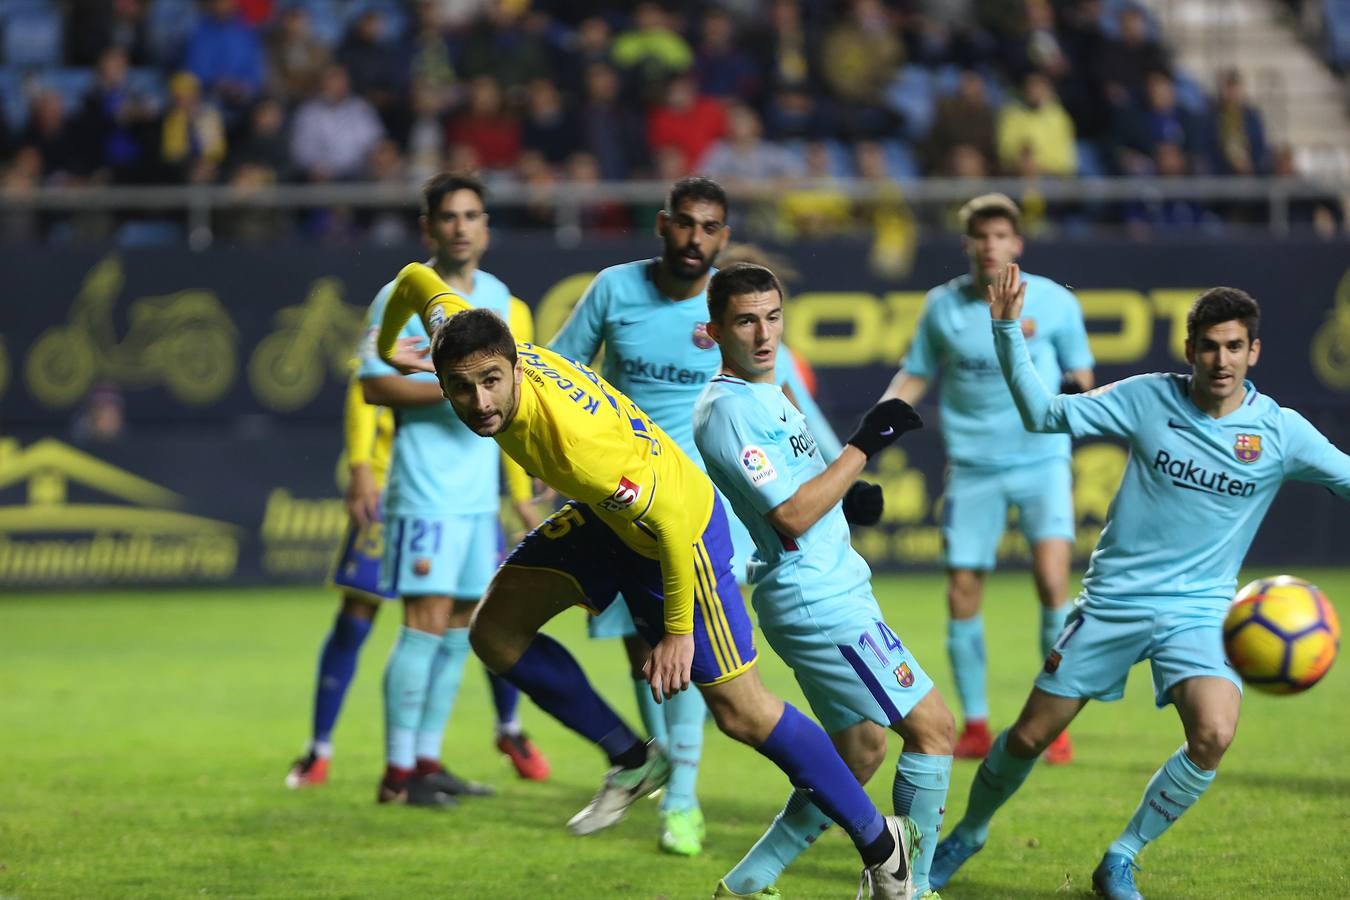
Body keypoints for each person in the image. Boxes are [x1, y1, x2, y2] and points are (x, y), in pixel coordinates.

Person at [378, 263, 929, 899]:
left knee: (743, 714)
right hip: (612, 520)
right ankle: (634, 758)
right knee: (495, 633)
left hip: (682, 531)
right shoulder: (465, 334)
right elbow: (416, 277)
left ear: (517, 368)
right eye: (461, 388)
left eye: (492, 383)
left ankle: (883, 846)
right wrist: (389, 347)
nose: (480, 403)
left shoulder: (575, 442)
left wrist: (675, 634)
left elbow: (668, 519)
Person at [931, 273, 1350, 899]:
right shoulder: (1149, 398)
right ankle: (969, 831)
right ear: (1190, 350)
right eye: (1209, 346)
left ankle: (1121, 858)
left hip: (1204, 611)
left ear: (1253, 352)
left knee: (1213, 734)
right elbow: (1044, 413)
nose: (1221, 360)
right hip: (1114, 602)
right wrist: (1005, 330)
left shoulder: (1280, 432)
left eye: (1234, 347)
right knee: (1028, 737)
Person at [549, 176, 841, 857]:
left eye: (710, 228)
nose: (696, 238)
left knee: (692, 653)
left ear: (725, 235)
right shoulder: (615, 291)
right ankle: (667, 772)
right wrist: (554, 458)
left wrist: (843, 472)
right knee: (644, 653)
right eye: (686, 224)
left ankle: (681, 798)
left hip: (709, 507)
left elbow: (788, 389)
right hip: (618, 500)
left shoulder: (730, 313)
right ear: (663, 224)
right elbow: (558, 371)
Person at [693, 263, 954, 899]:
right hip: (819, 601)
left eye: (772, 317)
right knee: (934, 730)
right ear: (714, 331)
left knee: (860, 752)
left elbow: (803, 496)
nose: (763, 333)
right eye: (746, 321)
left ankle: (748, 883)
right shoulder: (725, 411)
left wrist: (846, 500)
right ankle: (909, 890)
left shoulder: (772, 393)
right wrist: (865, 444)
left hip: (829, 586)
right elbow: (788, 513)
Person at [352, 173, 550, 805]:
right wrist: (455, 390)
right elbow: (372, 384)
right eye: (449, 216)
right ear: (429, 228)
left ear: (486, 225)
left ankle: (427, 763)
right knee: (424, 621)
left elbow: (514, 394)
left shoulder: (503, 303)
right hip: (426, 488)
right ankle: (395, 773)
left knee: (462, 627)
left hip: (475, 495)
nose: (462, 226)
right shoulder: (400, 297)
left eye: (472, 215)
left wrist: (523, 479)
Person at [882, 193, 1094, 762]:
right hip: (973, 468)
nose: (990, 246)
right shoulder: (943, 307)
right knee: (962, 591)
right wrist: (878, 424)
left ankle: (1054, 718)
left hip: (1042, 460)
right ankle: (975, 723)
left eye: (1000, 236)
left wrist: (1073, 394)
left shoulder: (1051, 303)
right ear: (968, 245)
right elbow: (916, 373)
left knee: (1053, 583)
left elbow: (1080, 374)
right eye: (980, 237)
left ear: (1016, 244)